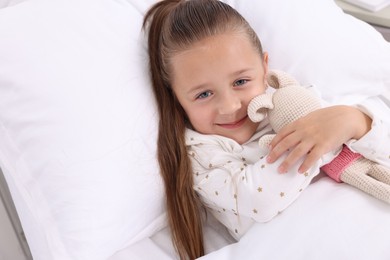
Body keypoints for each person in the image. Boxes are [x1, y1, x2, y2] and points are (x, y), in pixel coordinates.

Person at [142, 0, 390, 259]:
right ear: (177, 98)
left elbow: (381, 152)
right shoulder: (201, 151)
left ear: (264, 67)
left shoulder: (289, 100)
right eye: (204, 94)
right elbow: (258, 200)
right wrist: (324, 144)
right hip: (314, 238)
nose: (229, 106)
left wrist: (354, 120)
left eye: (240, 81)